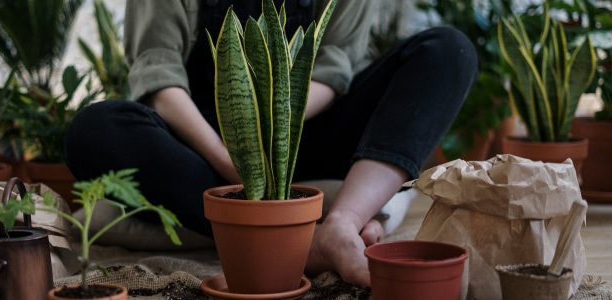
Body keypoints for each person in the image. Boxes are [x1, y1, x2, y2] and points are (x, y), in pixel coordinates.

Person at [65, 0, 477, 287]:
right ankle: (295, 236)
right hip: (204, 151)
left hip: (305, 132)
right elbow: (158, 74)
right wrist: (235, 161)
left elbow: (334, 68)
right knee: (94, 128)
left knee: (447, 51)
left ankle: (341, 223)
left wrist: (277, 138)